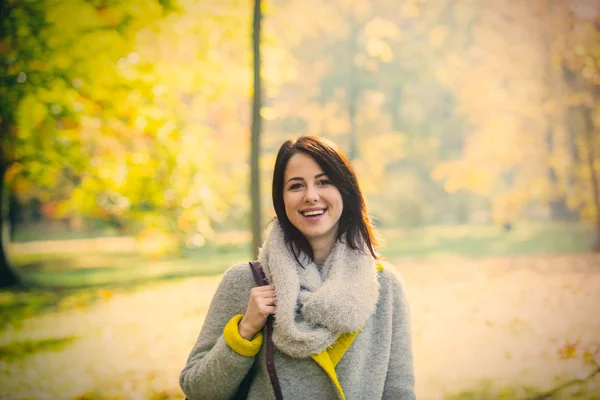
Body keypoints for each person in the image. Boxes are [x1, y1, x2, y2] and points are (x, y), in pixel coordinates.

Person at [180, 135, 415, 399]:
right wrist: (245, 331)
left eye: (324, 182)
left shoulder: (385, 286)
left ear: (345, 191)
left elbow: (399, 392)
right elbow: (197, 389)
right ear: (281, 200)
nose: (311, 196)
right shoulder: (245, 282)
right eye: (296, 186)